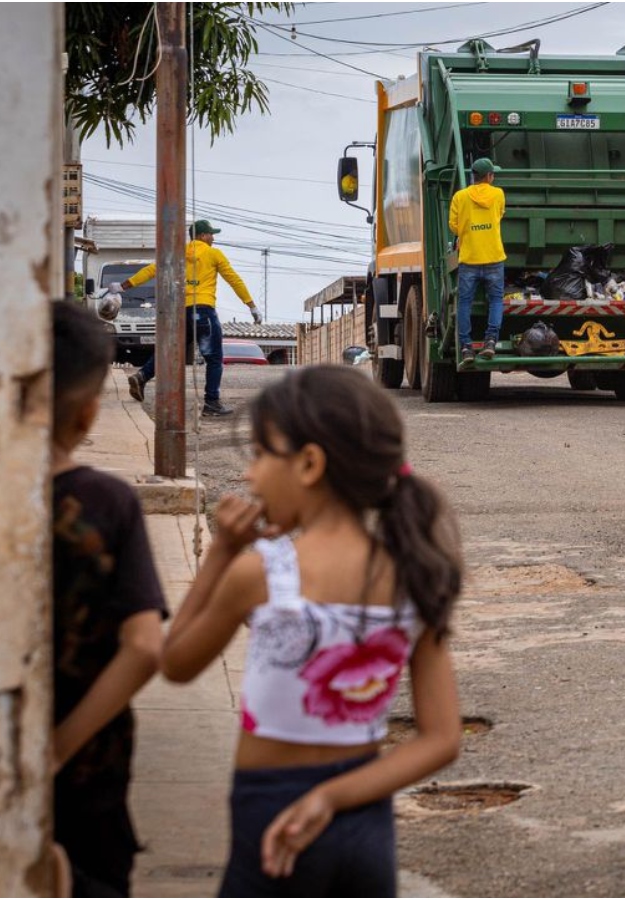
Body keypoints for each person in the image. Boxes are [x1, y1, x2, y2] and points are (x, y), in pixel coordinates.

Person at [160, 365, 464, 896]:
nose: (251, 476)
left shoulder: (263, 574)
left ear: (308, 463)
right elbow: (441, 739)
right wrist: (332, 797)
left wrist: (222, 556)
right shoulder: (415, 574)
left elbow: (176, 662)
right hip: (365, 825)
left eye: (259, 456)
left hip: (270, 819)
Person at [50, 301, 168, 896]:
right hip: (87, 771)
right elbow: (146, 647)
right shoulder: (105, 503)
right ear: (90, 409)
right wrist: (56, 750)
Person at [120, 219, 260, 417]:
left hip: (181, 312)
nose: (213, 238)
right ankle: (211, 402)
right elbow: (234, 279)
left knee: (170, 352)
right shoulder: (213, 254)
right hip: (203, 312)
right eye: (211, 234)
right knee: (214, 359)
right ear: (203, 235)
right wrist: (251, 305)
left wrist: (125, 285)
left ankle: (142, 375)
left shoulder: (178, 253)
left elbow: (153, 269)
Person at [448, 157, 506, 361]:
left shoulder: (459, 197)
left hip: (469, 259)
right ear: (489, 176)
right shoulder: (498, 194)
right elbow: (499, 215)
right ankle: (491, 340)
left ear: (473, 176)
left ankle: (466, 347)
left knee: (464, 303)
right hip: (494, 257)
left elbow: (453, 227)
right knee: (496, 300)